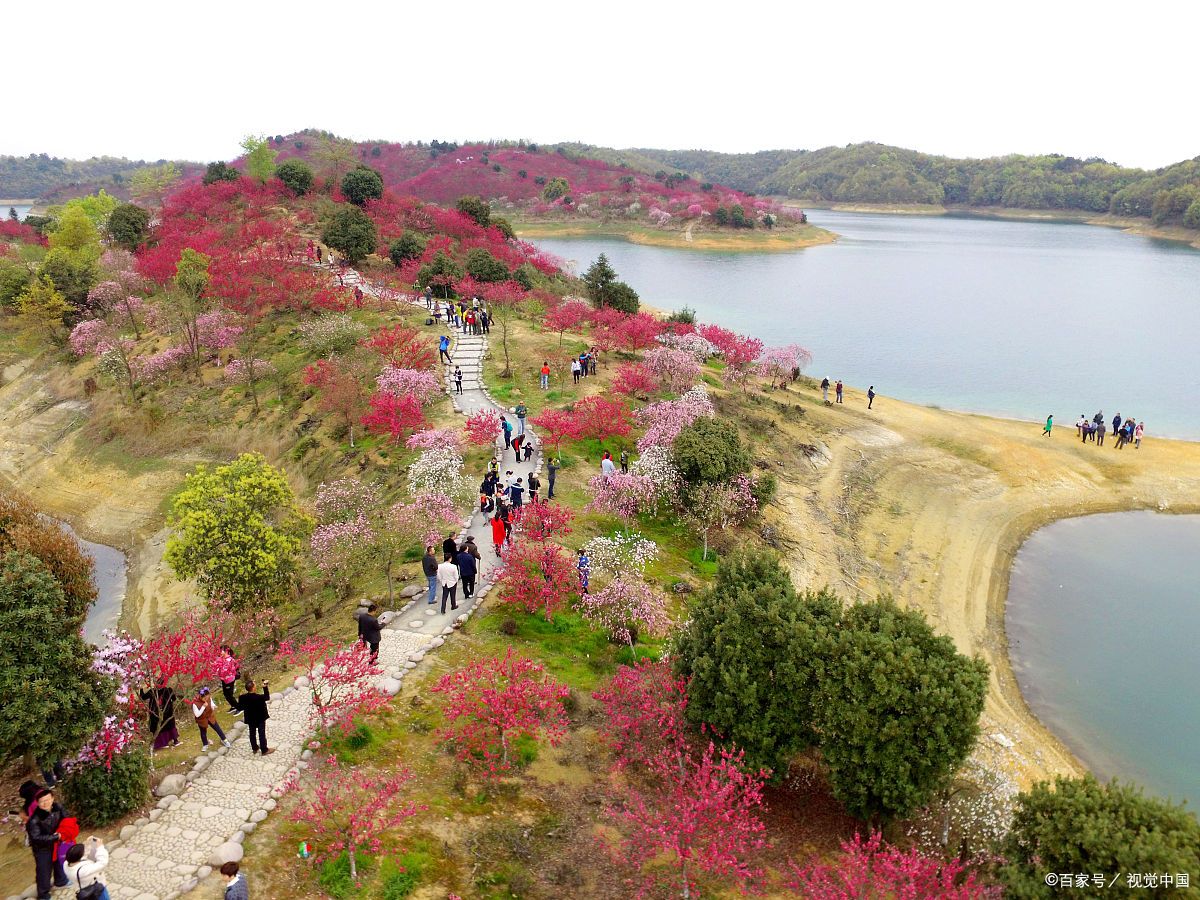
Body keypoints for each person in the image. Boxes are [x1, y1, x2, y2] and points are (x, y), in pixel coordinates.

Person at [27, 788, 68, 899]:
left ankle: (61, 881)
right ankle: (44, 894)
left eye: (47, 799)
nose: (45, 803)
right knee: (44, 871)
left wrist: (64, 831)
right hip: (42, 849)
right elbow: (36, 838)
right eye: (42, 801)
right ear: (38, 803)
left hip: (57, 843)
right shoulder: (34, 819)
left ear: (52, 798)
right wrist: (55, 837)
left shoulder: (58, 808)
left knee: (60, 862)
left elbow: (66, 818)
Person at [238, 680, 274, 755]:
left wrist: (240, 697)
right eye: (255, 685)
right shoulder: (259, 697)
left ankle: (254, 747)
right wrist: (265, 687)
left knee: (252, 733)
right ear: (253, 688)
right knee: (261, 734)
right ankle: (264, 750)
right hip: (260, 718)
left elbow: (240, 707)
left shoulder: (242, 697)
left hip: (250, 719)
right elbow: (267, 697)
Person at [140, 683, 180, 750]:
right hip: (168, 712)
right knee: (170, 726)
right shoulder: (168, 690)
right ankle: (175, 740)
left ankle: (164, 743)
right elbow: (174, 698)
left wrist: (141, 688)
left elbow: (143, 697)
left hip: (156, 713)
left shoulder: (152, 691)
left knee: (160, 728)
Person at [219, 645, 241, 715]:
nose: (220, 652)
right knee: (226, 694)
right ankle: (233, 706)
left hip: (229, 680)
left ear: (226, 651)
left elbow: (225, 671)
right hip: (224, 679)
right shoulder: (222, 659)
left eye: (221, 651)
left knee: (230, 695)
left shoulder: (230, 660)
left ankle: (239, 708)